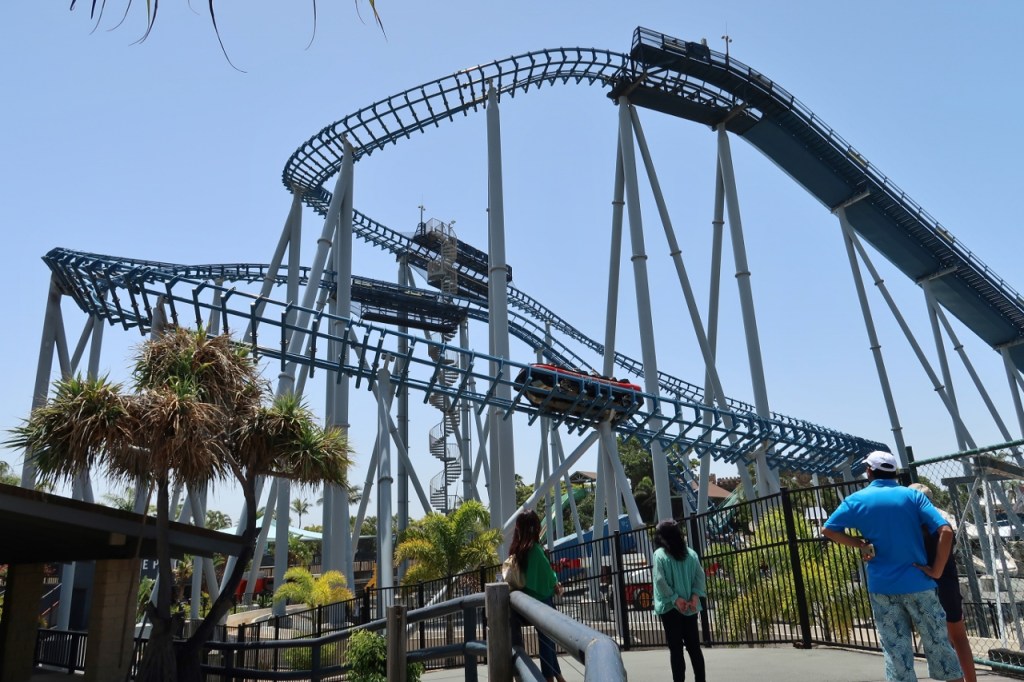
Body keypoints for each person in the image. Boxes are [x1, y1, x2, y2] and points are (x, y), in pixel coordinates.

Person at [823, 451, 964, 682]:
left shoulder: (855, 500)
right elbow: (946, 531)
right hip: (919, 582)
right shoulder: (912, 496)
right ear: (894, 472)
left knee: (896, 653)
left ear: (869, 471)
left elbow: (828, 530)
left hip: (882, 586)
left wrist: (860, 544)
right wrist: (936, 570)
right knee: (940, 647)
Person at [909, 482, 977, 682]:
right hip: (949, 583)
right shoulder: (939, 522)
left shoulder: (917, 529)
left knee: (941, 642)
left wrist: (932, 570)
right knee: (958, 636)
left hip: (931, 584)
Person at [508, 510, 566, 682]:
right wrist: (556, 584)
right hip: (541, 600)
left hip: (524, 603)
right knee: (548, 642)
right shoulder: (535, 550)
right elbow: (546, 577)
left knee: (548, 641)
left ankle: (558, 676)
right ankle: (549, 677)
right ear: (534, 528)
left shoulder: (517, 550)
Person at [651, 519, 706, 682]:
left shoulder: (660, 555)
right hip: (690, 607)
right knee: (694, 648)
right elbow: (700, 577)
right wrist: (694, 597)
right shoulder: (691, 554)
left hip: (670, 608)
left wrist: (675, 599)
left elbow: (659, 580)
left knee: (676, 650)